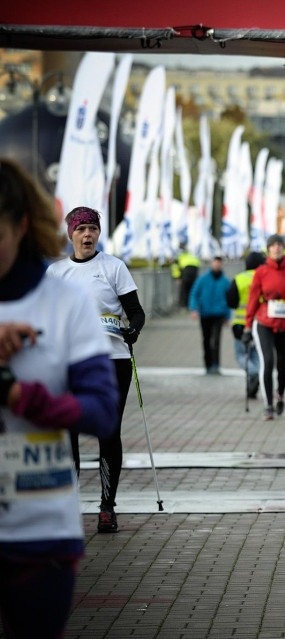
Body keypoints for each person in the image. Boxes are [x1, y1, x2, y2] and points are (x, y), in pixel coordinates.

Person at [0, 158, 119, 637]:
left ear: (21, 225)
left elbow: (102, 412)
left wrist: (21, 396)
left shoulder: (63, 301)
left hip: (39, 530)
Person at [46, 205, 146, 534]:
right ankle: (65, 508)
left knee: (108, 432)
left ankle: (107, 508)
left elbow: (136, 312)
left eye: (92, 228)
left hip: (112, 361)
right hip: (71, 364)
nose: (87, 234)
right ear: (70, 234)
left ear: (99, 233)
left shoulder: (113, 268)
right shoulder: (56, 273)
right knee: (68, 433)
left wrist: (133, 330)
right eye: (81, 229)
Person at [243, 234, 285, 420]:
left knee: (282, 367)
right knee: (268, 361)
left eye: (280, 245)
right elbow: (253, 299)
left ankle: (280, 393)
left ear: (284, 248)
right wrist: (248, 327)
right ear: (268, 249)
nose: (277, 248)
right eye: (273, 245)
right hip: (264, 322)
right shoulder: (261, 272)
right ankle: (269, 405)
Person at [226, 251, 267, 398]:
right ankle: (254, 384)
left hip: (241, 324)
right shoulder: (264, 278)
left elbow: (231, 301)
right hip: (260, 323)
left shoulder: (239, 278)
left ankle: (253, 373)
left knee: (241, 355)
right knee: (256, 355)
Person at [189, 256, 232, 375]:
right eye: (215, 262)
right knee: (206, 340)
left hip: (219, 315)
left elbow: (229, 300)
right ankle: (208, 365)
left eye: (219, 263)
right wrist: (193, 309)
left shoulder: (225, 281)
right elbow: (194, 294)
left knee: (217, 340)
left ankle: (216, 365)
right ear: (211, 263)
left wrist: (228, 317)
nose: (217, 265)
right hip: (205, 314)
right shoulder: (202, 279)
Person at [171, 243, 201, 308]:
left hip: (187, 271)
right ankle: (193, 305)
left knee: (184, 289)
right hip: (194, 271)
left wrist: (177, 278)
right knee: (193, 289)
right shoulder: (190, 254)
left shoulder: (178, 255)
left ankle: (183, 306)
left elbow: (175, 267)